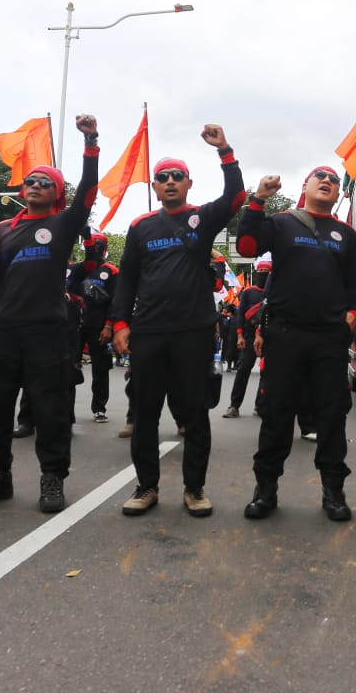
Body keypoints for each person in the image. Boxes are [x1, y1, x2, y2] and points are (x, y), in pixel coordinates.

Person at [0, 116, 98, 513]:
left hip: (48, 331)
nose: (35, 185)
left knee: (50, 410)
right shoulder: (3, 230)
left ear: (57, 194)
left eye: (45, 183)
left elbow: (89, 191)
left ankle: (52, 478)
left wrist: (90, 142)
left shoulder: (63, 223)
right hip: (7, 332)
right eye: (31, 181)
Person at [112, 125, 245, 517]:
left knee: (195, 414)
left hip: (194, 332)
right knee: (145, 414)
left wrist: (225, 150)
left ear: (188, 183)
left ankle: (194, 489)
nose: (170, 181)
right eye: (162, 177)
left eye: (177, 176)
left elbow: (236, 197)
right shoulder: (140, 226)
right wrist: (120, 323)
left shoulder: (202, 218)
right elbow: (128, 279)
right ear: (155, 187)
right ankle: (146, 487)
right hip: (149, 332)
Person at [235, 165, 356, 521]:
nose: (327, 181)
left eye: (333, 180)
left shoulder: (346, 234)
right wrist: (258, 200)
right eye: (319, 177)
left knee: (332, 416)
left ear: (337, 193)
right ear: (306, 186)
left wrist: (354, 316)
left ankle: (333, 492)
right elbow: (247, 246)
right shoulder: (282, 223)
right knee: (276, 414)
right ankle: (265, 491)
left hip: (329, 340)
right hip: (285, 336)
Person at [74, 228, 117, 422]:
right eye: (94, 245)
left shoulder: (111, 271)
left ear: (105, 248)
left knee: (100, 369)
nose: (97, 249)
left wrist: (108, 326)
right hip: (76, 325)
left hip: (99, 326)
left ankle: (99, 408)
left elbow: (115, 301)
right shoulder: (78, 268)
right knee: (70, 366)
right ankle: (66, 410)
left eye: (101, 245)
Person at [223, 256, 269, 418]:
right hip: (249, 337)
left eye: (267, 271)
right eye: (261, 270)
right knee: (243, 370)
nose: (263, 273)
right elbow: (240, 314)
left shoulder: (275, 292)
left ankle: (260, 405)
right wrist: (240, 335)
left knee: (266, 373)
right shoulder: (249, 292)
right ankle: (234, 406)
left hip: (269, 338)